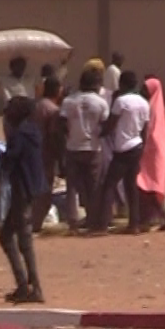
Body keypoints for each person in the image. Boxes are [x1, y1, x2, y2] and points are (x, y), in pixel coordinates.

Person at [0, 96, 45, 302]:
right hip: (30, 189)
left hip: (21, 190)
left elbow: (9, 161)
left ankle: (34, 287)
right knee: (8, 236)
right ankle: (24, 285)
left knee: (21, 239)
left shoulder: (19, 135)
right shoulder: (32, 131)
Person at [93, 71, 149, 235]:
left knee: (109, 185)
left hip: (123, 148)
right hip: (137, 146)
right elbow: (145, 129)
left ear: (122, 84)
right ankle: (134, 224)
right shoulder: (144, 103)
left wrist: (98, 132)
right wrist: (142, 147)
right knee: (131, 186)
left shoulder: (121, 101)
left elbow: (111, 124)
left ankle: (102, 225)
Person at [59, 68, 107, 232]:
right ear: (96, 84)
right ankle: (93, 220)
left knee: (72, 186)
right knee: (94, 186)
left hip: (73, 147)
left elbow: (62, 124)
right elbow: (106, 124)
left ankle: (73, 222)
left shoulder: (68, 101)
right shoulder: (100, 102)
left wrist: (70, 136)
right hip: (93, 148)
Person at [134, 77, 165, 233]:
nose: (142, 91)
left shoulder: (152, 109)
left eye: (145, 89)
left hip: (151, 152)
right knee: (149, 187)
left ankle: (158, 219)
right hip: (154, 152)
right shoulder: (156, 107)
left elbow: (149, 131)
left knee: (149, 187)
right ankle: (155, 219)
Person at [32, 78, 64, 234]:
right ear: (57, 91)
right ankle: (35, 223)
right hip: (46, 155)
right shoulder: (53, 110)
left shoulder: (36, 106)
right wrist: (60, 156)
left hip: (32, 153)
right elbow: (53, 136)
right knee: (44, 192)